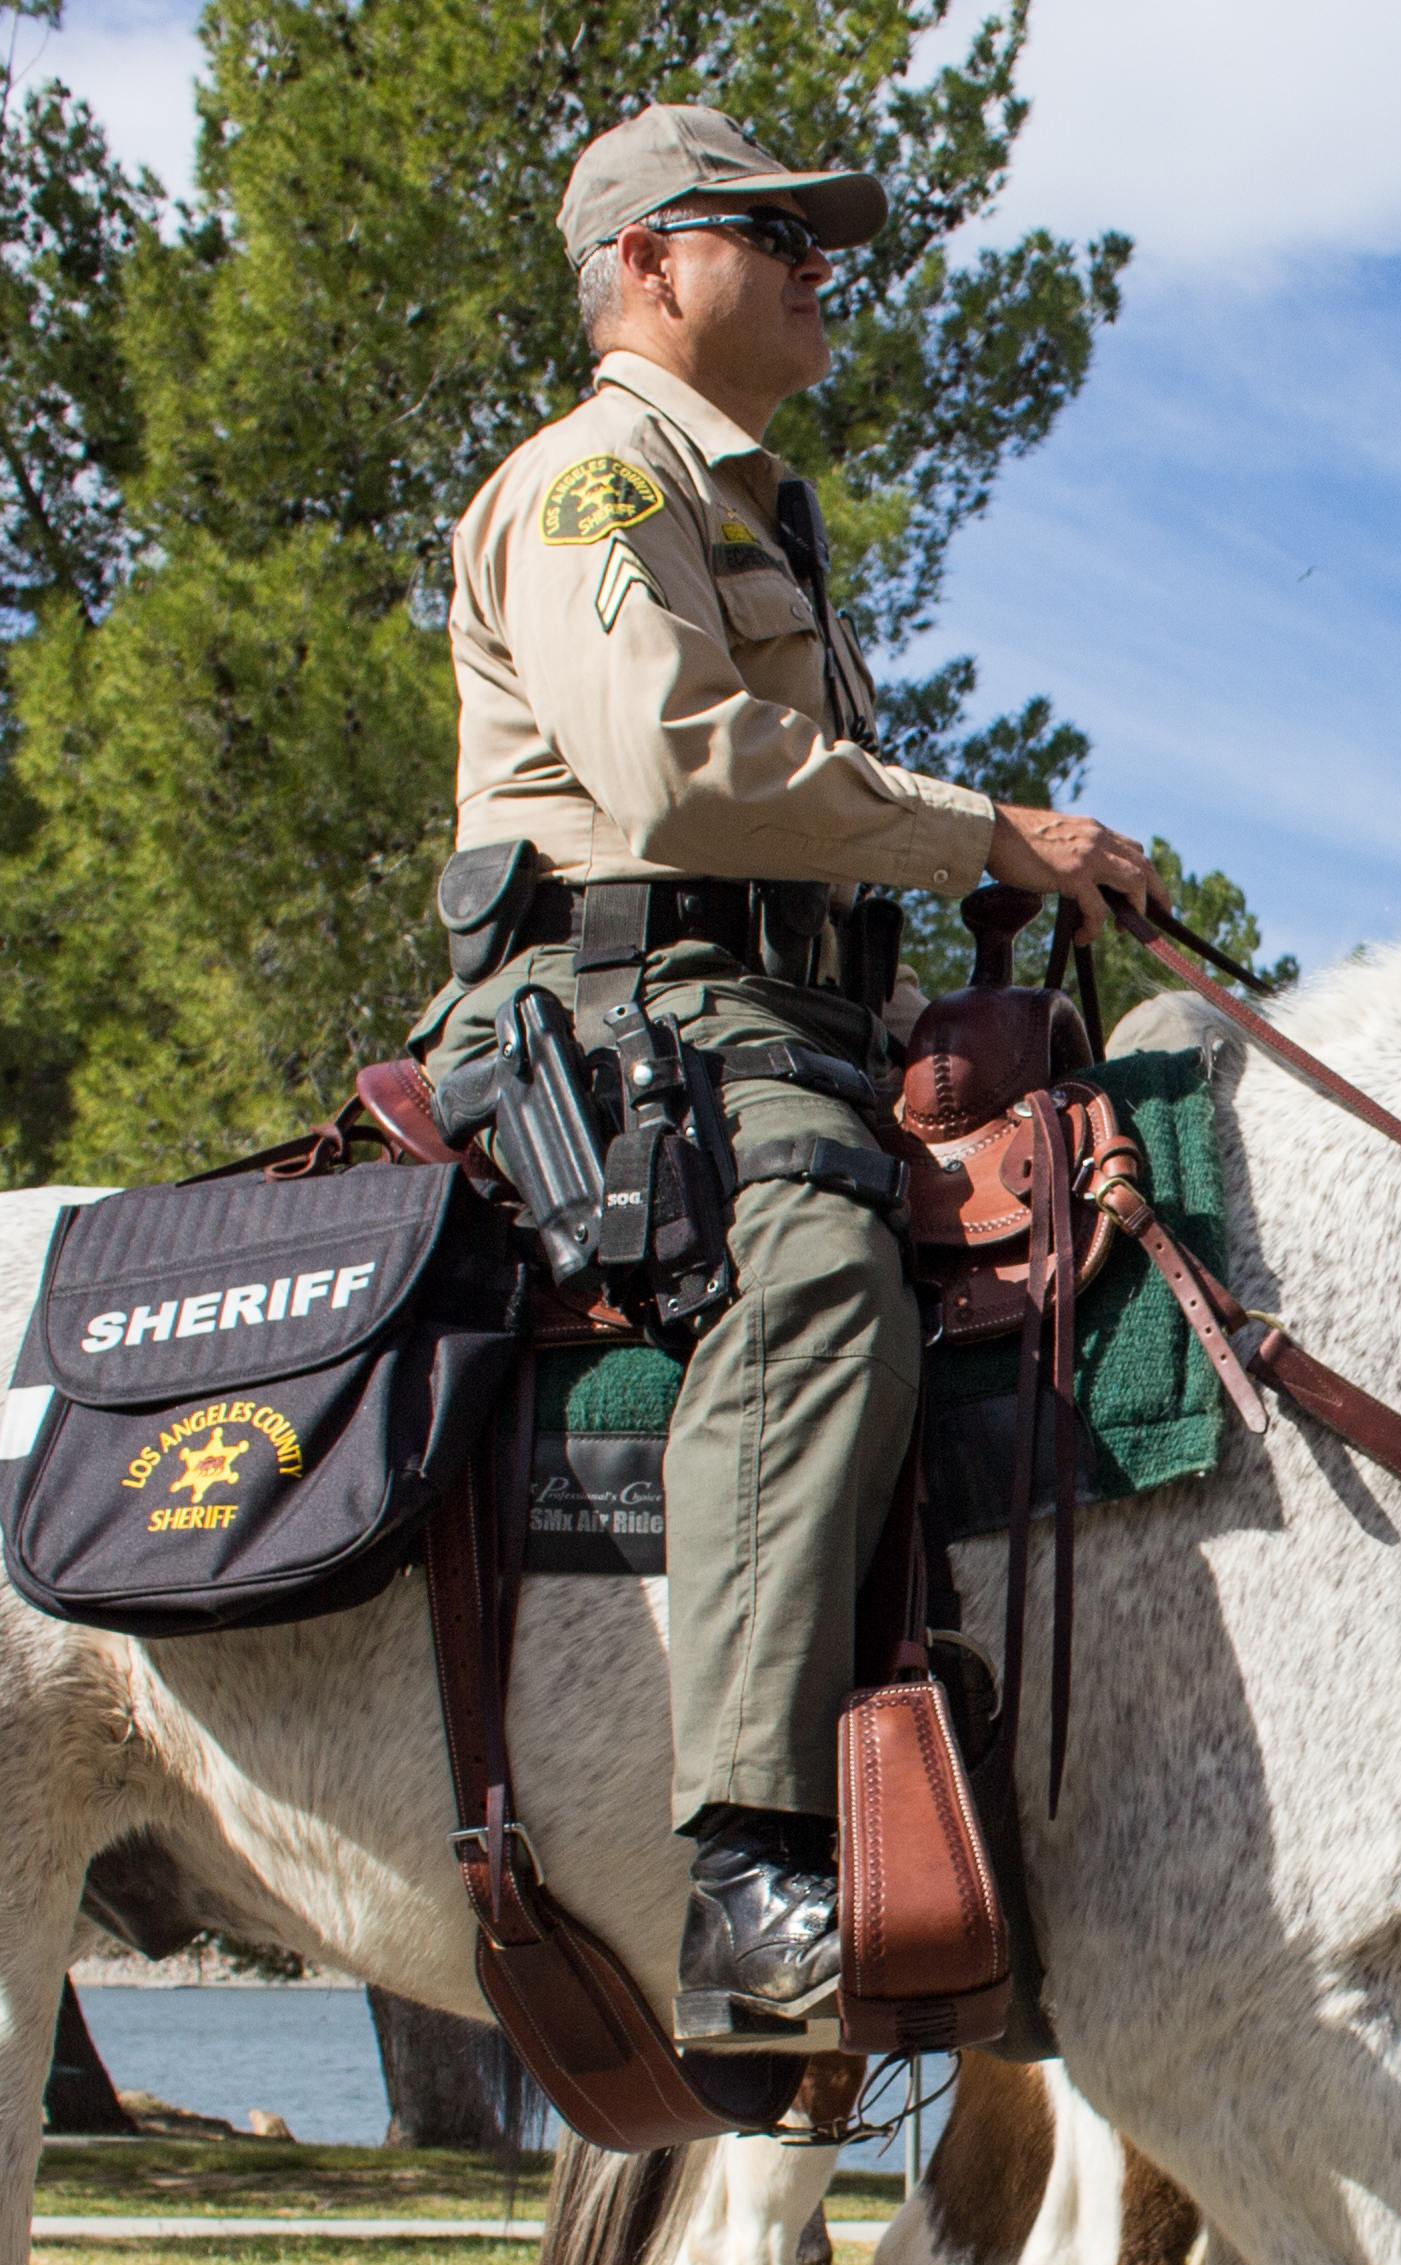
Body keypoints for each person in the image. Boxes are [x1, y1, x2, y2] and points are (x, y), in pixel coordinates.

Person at [429, 103, 1151, 2059]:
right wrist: (988, 832)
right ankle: (751, 1873)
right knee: (822, 1275)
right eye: (773, 231)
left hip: (776, 1012)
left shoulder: (746, 505)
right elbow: (675, 779)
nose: (825, 266)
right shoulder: (598, 482)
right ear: (648, 262)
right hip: (636, 1010)